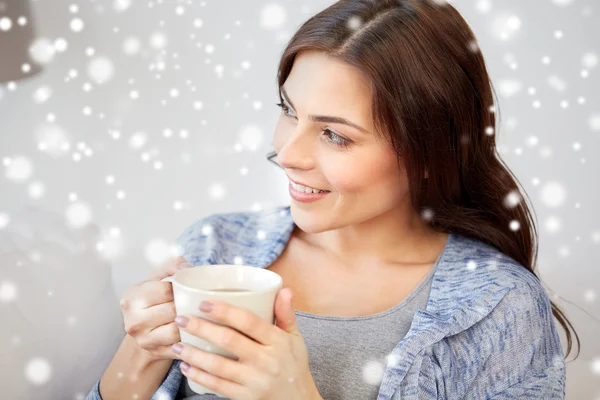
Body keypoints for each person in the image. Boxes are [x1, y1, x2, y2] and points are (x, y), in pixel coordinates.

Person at [85, 0, 579, 399]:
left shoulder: (497, 309)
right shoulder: (215, 248)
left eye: (335, 136)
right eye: (289, 111)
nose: (287, 153)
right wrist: (143, 352)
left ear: (427, 152)